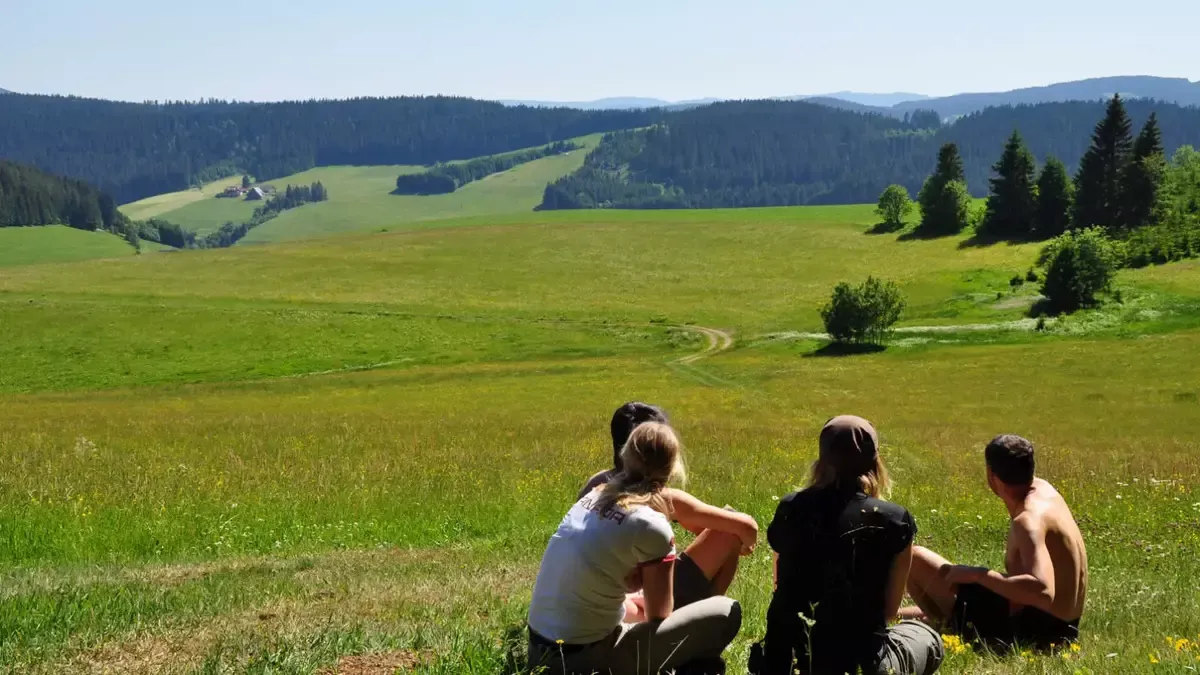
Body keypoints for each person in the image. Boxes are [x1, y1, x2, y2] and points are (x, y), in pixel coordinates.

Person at [528, 423, 746, 675]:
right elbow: (658, 617)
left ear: (625, 456)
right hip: (588, 661)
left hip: (539, 653)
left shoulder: (593, 496)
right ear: (672, 469)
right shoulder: (650, 524)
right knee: (726, 611)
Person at [754, 415, 943, 675]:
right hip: (860, 663)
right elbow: (889, 610)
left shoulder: (790, 508)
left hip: (786, 662)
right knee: (925, 636)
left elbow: (781, 587)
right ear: (875, 462)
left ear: (822, 458)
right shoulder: (894, 520)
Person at [903, 434, 1088, 651]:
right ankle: (899, 616)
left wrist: (979, 575)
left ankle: (947, 628)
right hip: (1062, 626)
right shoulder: (1045, 491)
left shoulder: (1028, 520)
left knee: (913, 559)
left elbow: (1043, 592)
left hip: (1036, 632)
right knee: (955, 590)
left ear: (991, 475)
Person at [579, 402, 758, 614]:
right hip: (636, 602)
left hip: (593, 598)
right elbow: (745, 527)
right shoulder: (659, 497)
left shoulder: (596, 485)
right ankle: (709, 618)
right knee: (730, 529)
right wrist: (739, 547)